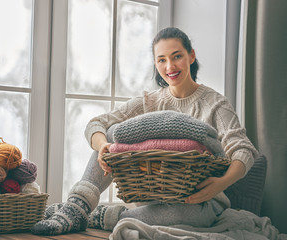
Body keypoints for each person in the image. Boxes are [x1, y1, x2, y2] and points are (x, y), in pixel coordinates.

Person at [31, 27, 258, 235]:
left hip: (200, 200)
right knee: (113, 133)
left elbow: (243, 150)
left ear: (191, 56)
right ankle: (76, 205)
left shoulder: (215, 104)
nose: (170, 67)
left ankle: (90, 215)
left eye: (177, 56)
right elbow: (96, 124)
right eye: (162, 60)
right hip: (151, 198)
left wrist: (221, 184)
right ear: (156, 64)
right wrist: (102, 147)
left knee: (184, 214)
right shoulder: (150, 101)